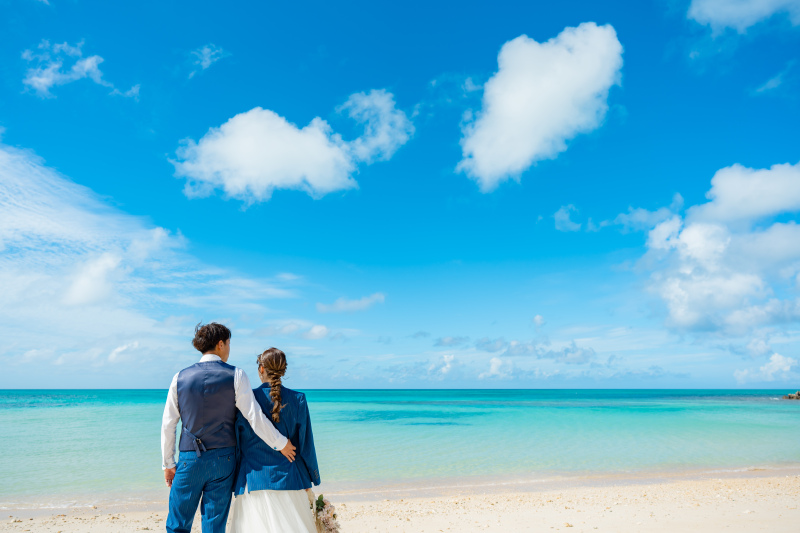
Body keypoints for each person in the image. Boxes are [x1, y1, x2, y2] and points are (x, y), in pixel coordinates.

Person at [161, 323, 298, 533]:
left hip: (189, 460)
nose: (229, 348)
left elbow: (169, 424)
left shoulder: (179, 377)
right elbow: (254, 417)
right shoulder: (237, 375)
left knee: (177, 524)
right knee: (214, 526)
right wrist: (280, 443)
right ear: (220, 344)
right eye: (229, 343)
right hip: (223, 461)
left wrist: (168, 463)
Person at [230, 347, 321, 533]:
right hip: (289, 478)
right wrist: (311, 478)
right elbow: (305, 445)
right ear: (284, 370)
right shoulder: (299, 399)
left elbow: (236, 444)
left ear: (261, 369)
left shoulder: (246, 400)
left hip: (253, 480)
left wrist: (233, 479)